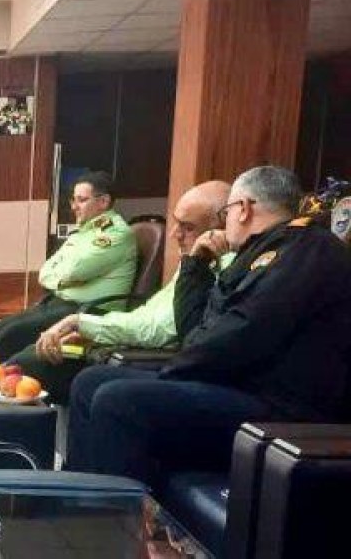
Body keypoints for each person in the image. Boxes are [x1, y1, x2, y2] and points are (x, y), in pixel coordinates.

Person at [66, 166, 351, 487]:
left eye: (226, 213)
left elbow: (239, 335)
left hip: (277, 411)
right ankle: (77, 501)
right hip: (234, 386)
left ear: (243, 209)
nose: (225, 223)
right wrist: (196, 266)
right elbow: (196, 329)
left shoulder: (306, 249)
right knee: (90, 381)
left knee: (119, 401)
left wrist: (173, 370)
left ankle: (118, 515)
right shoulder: (259, 252)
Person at [5, 181, 232, 402]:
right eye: (176, 223)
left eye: (188, 227)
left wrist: (83, 324)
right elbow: (146, 314)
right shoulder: (196, 260)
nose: (174, 234)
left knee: (28, 365)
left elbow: (158, 329)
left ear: (221, 227)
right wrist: (92, 331)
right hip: (119, 330)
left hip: (153, 357)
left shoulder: (215, 267)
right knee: (18, 344)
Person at [0, 171, 136, 363]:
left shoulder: (115, 234)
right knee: (0, 328)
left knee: (12, 334)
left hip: (89, 311)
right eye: (73, 200)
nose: (74, 206)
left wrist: (63, 277)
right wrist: (63, 281)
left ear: (103, 201)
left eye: (82, 200)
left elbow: (75, 271)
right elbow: (45, 272)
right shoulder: (84, 232)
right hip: (60, 303)